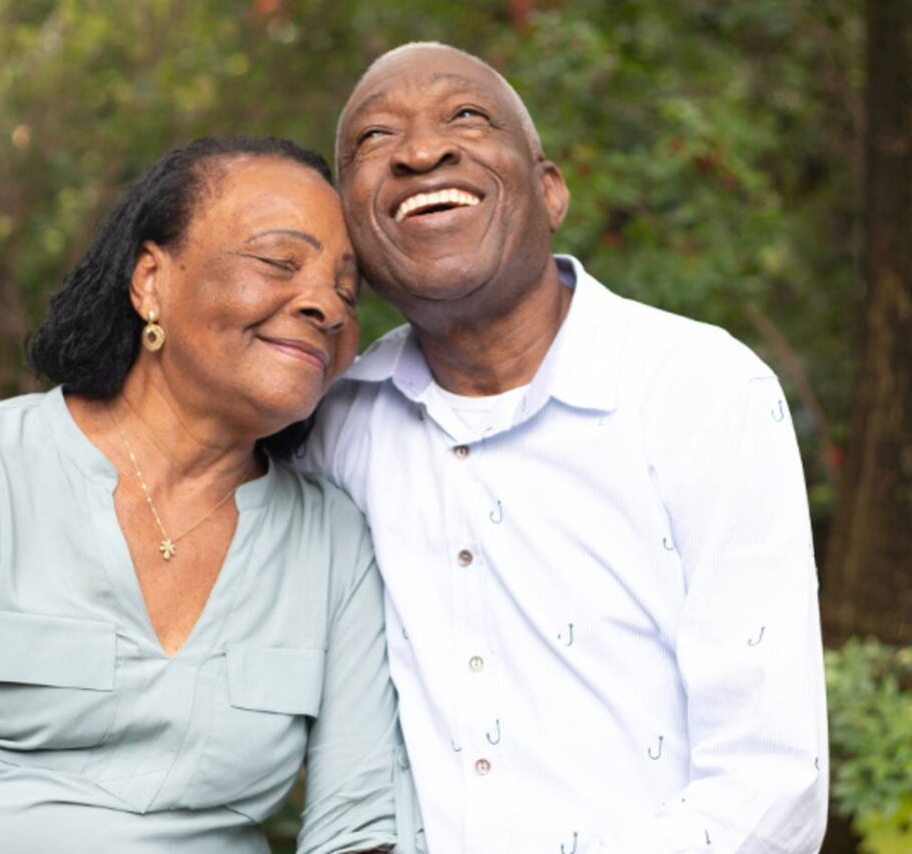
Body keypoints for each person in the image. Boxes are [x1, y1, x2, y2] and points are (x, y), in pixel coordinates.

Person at [0, 136, 411, 854]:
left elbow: (358, 828)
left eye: (347, 290)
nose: (328, 307)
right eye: (280, 262)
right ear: (150, 281)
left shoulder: (335, 541)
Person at [298, 43, 831, 852]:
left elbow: (770, 783)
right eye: (373, 140)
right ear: (354, 241)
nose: (419, 151)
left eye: (466, 117)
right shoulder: (334, 428)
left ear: (550, 193)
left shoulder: (701, 388)